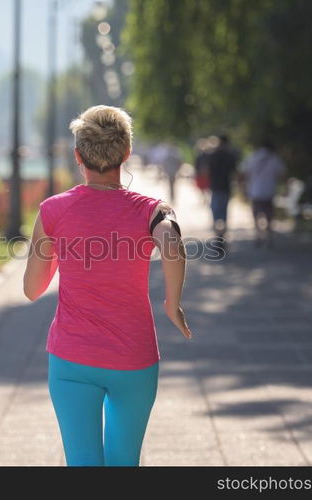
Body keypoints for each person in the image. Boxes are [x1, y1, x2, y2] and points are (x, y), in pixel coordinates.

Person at [23, 105, 193, 467]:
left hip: (72, 358)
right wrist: (171, 304)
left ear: (78, 156)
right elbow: (173, 243)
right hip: (134, 357)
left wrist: (60, 249)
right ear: (126, 153)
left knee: (83, 463)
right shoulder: (150, 209)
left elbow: (32, 289)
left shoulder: (53, 210)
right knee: (123, 462)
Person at [239, 140, 287, 247]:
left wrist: (243, 189)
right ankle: (269, 236)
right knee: (269, 214)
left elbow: (243, 173)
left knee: (256, 214)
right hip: (269, 191)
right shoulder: (275, 159)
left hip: (255, 191)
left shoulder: (253, 157)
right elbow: (282, 174)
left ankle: (258, 235)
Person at [206, 135, 239, 246]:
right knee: (224, 214)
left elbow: (208, 173)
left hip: (215, 188)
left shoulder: (212, 155)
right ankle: (222, 237)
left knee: (216, 214)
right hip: (225, 188)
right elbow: (234, 172)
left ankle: (217, 237)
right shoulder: (230, 156)